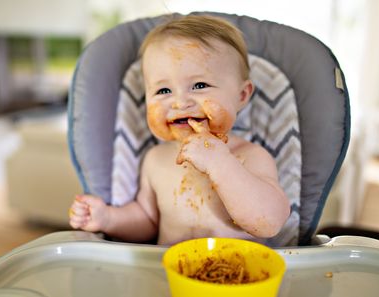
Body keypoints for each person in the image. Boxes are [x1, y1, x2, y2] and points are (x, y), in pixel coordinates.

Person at [69, 14, 290, 245]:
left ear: (241, 95)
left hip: (239, 275)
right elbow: (148, 222)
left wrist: (220, 163)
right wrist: (108, 218)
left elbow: (269, 223)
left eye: (200, 85)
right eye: (163, 90)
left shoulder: (251, 156)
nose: (180, 103)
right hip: (170, 276)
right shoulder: (156, 159)